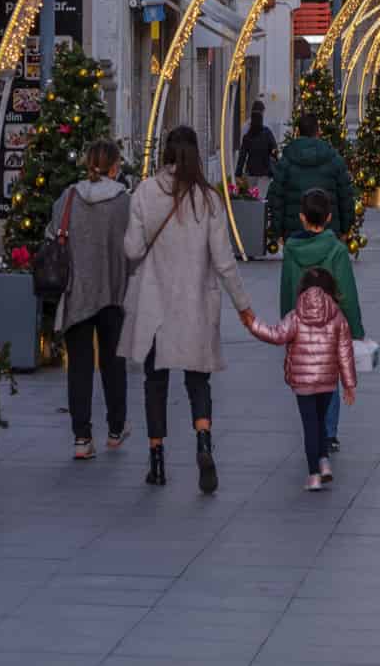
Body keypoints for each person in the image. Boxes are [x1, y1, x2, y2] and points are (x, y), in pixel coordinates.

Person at [120, 126, 254, 494]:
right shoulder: (208, 200)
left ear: (165, 153)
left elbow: (132, 249)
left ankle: (157, 459)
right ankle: (203, 441)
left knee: (155, 382)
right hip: (195, 302)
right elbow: (224, 262)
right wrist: (244, 307)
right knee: (198, 381)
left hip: (154, 304)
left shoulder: (145, 192)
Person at [51, 140, 133, 461]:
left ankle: (82, 438)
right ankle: (115, 429)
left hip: (77, 292)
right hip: (113, 291)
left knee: (80, 368)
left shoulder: (68, 197)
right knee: (113, 363)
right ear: (114, 167)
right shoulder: (124, 201)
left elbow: (52, 233)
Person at [246, 266, 357, 491]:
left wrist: (253, 324)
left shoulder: (295, 316)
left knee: (310, 425)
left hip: (303, 383)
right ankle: (324, 461)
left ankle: (314, 475)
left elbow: (276, 335)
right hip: (327, 381)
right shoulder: (338, 316)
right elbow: (345, 352)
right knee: (320, 420)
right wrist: (349, 384)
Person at [279, 188, 364, 456]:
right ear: (328, 218)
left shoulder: (292, 250)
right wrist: (356, 328)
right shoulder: (337, 250)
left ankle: (314, 428)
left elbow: (287, 287)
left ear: (302, 218)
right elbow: (347, 292)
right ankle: (329, 433)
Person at [266, 112, 357, 248]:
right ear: (318, 131)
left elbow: (276, 199)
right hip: (329, 233)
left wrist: (278, 232)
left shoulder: (286, 162)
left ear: (297, 132)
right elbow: (346, 197)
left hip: (294, 234)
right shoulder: (334, 160)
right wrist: (345, 229)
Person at [235, 102, 278, 199]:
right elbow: (275, 150)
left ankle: (253, 214)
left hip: (251, 170)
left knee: (253, 198)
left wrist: (238, 173)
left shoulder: (247, 135)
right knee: (261, 198)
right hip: (265, 171)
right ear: (262, 114)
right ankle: (260, 214)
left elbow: (242, 155)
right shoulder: (267, 132)